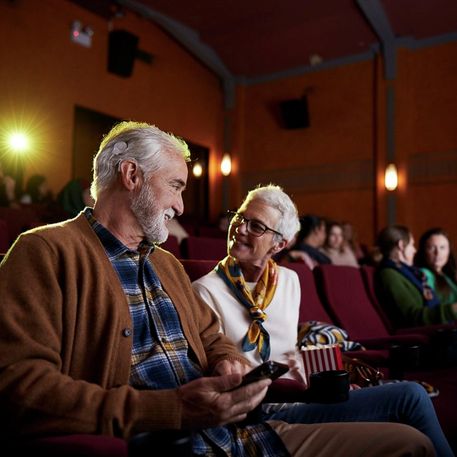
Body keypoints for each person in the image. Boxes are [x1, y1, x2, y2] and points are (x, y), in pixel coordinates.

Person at [0, 122, 436, 457]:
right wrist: (172, 409)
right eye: (175, 185)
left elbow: (213, 338)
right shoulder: (44, 250)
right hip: (173, 441)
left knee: (409, 440)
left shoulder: (165, 263)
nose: (181, 206)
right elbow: (20, 388)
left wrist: (228, 364)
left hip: (234, 425)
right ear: (131, 175)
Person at [191, 184, 454, 456]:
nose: (241, 228)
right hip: (265, 408)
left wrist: (328, 381)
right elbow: (221, 374)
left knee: (411, 394)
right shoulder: (204, 291)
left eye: (256, 226)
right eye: (239, 217)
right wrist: (299, 390)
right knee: (411, 399)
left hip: (306, 395)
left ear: (280, 244)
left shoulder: (289, 280)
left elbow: (289, 351)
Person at [375, 225, 457, 328]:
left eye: (443, 248)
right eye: (412, 245)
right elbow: (412, 317)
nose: (415, 250)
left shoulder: (408, 273)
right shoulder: (389, 274)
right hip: (428, 335)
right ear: (401, 245)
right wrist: (452, 310)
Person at [414, 228, 457, 306]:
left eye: (442, 248)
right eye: (431, 248)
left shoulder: (446, 275)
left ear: (449, 251)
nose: (437, 253)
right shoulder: (424, 274)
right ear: (423, 251)